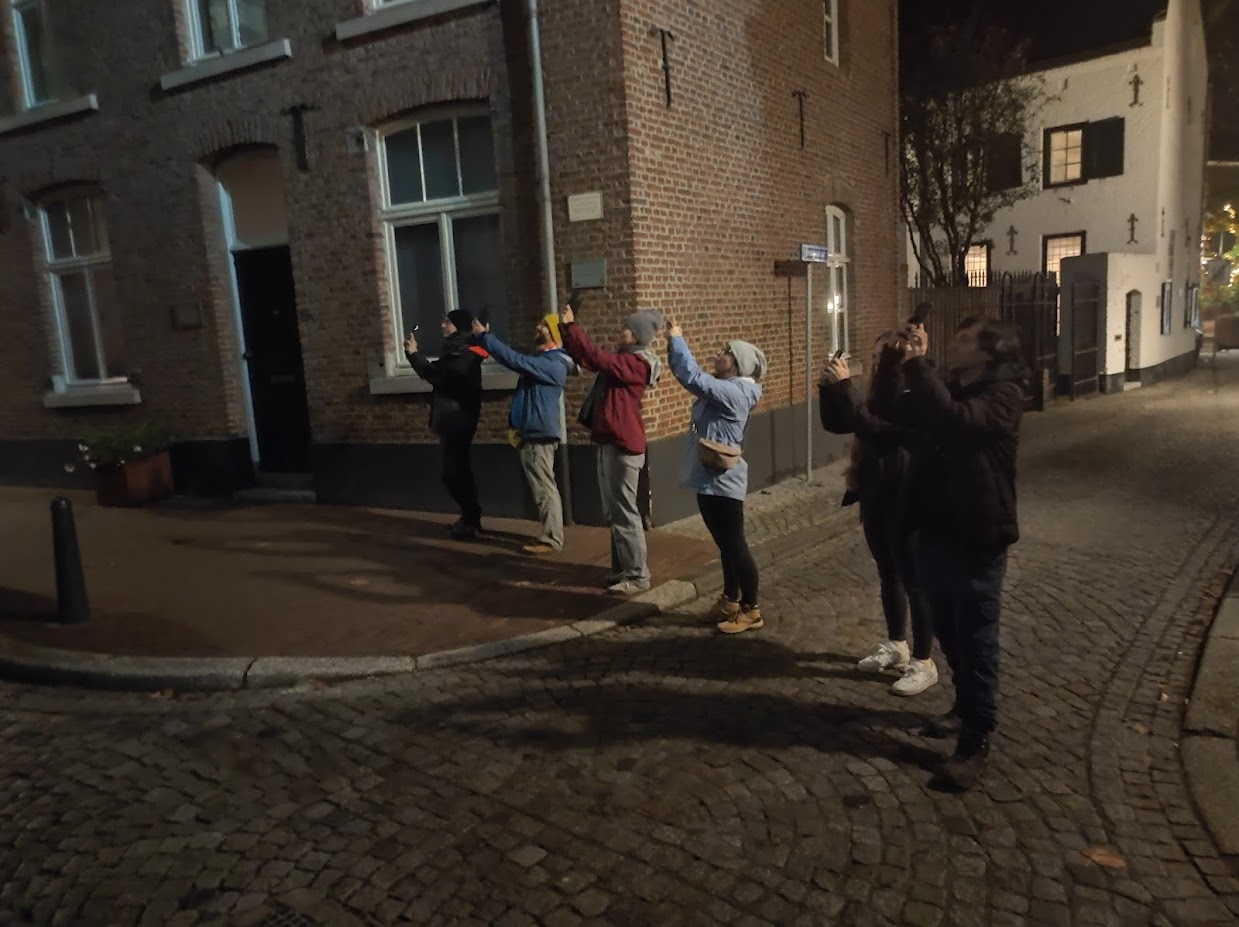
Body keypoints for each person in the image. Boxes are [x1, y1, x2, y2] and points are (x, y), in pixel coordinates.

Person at [900, 316, 1026, 790]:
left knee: (976, 639)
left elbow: (957, 421)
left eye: (965, 339)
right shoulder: (952, 388)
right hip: (937, 530)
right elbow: (906, 414)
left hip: (978, 535)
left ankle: (976, 737)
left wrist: (920, 368)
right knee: (949, 632)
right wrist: (901, 360)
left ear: (991, 352)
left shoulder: (1005, 396)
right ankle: (963, 705)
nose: (954, 343)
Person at [819, 332, 937, 696]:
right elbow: (841, 423)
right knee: (889, 574)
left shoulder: (915, 396)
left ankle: (924, 661)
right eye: (871, 357)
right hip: (874, 490)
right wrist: (828, 389)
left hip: (907, 495)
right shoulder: (878, 396)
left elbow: (878, 429)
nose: (873, 364)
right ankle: (897, 644)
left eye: (879, 358)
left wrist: (846, 390)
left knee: (916, 581)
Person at [666, 320, 765, 634]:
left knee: (735, 544)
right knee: (725, 545)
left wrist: (677, 339)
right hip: (709, 477)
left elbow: (692, 377)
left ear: (737, 364)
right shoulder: (728, 389)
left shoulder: (736, 392)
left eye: (726, 352)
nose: (719, 354)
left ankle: (751, 609)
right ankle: (729, 601)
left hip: (723, 481)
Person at [559, 303, 663, 596]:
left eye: (627, 328)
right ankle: (622, 569)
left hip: (623, 445)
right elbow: (587, 358)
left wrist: (572, 326)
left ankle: (638, 575)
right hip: (610, 441)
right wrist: (566, 331)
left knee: (625, 512)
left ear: (637, 335)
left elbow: (595, 356)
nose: (622, 331)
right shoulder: (623, 359)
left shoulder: (636, 364)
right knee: (614, 511)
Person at [471, 314, 575, 554]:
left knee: (544, 488)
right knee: (543, 486)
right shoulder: (544, 360)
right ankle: (551, 535)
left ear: (554, 334)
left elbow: (514, 360)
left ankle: (552, 538)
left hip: (539, 434)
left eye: (544, 326)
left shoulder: (554, 364)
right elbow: (515, 357)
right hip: (533, 432)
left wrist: (485, 338)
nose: (538, 327)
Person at [404, 309, 488, 540]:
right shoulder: (454, 352)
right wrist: (414, 355)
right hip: (451, 419)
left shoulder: (467, 354)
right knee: (456, 472)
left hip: (459, 419)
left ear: (458, 326)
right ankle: (469, 518)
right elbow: (434, 372)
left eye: (447, 322)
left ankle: (472, 519)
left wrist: (415, 355)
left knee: (454, 473)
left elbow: (438, 376)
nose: (442, 325)